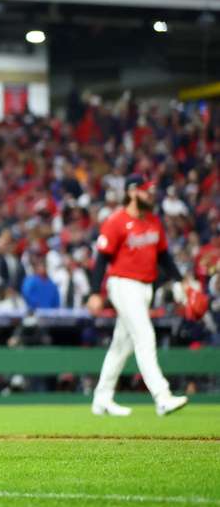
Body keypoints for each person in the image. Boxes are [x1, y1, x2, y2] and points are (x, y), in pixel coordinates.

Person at [87, 175, 190, 417]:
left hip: (145, 288)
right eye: (145, 192)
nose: (150, 195)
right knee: (145, 336)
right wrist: (94, 292)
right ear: (132, 192)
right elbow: (101, 258)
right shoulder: (116, 221)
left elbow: (164, 256)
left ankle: (102, 398)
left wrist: (178, 280)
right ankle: (162, 396)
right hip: (123, 284)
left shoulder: (153, 221)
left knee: (121, 346)